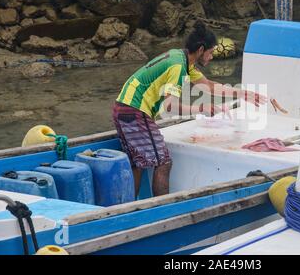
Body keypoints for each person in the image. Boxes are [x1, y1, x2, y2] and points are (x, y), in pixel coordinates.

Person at [113, 21, 267, 197]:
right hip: (134, 111)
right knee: (163, 162)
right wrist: (201, 108)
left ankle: (130, 207)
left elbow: (209, 86)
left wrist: (242, 94)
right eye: (210, 53)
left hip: (123, 108)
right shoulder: (178, 67)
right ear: (201, 50)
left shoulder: (181, 59)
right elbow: (169, 106)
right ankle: (163, 210)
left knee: (137, 163)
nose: (211, 58)